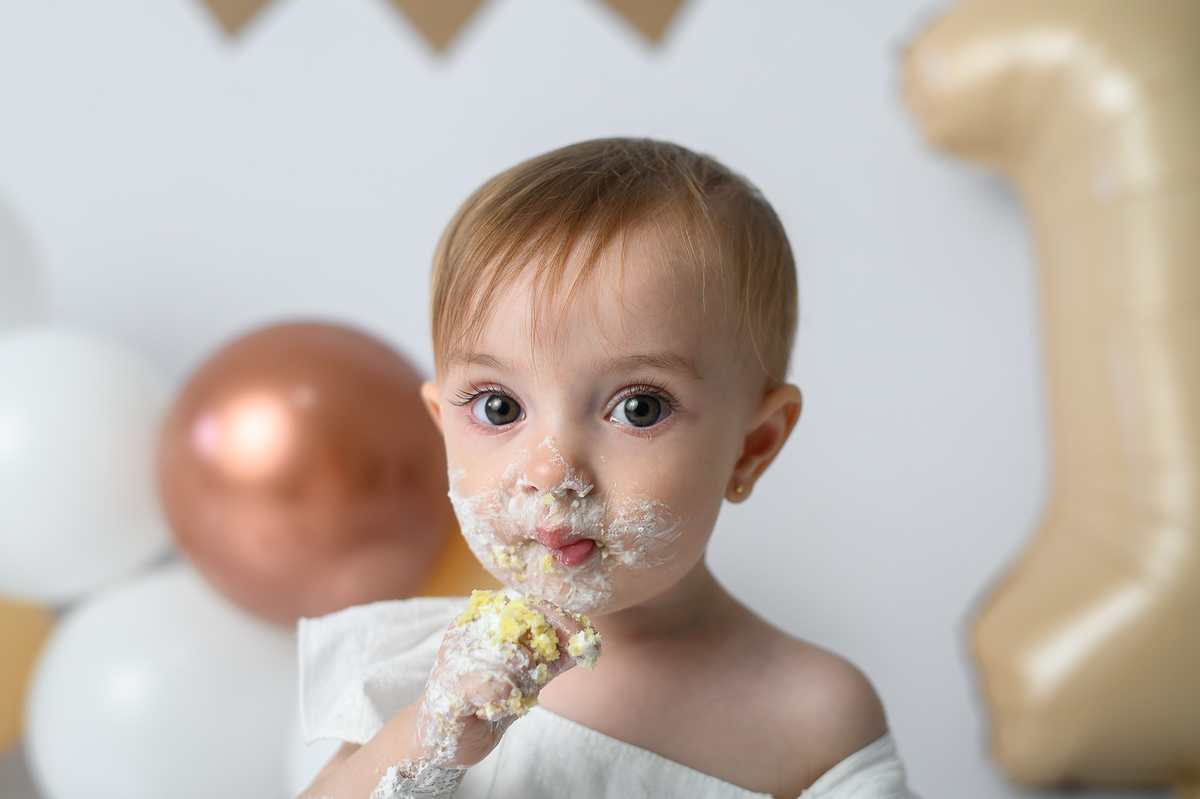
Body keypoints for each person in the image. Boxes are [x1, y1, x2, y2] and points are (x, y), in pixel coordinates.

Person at [297, 138, 917, 798]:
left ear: (752, 445)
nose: (550, 470)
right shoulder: (432, 671)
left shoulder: (811, 712)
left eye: (640, 407)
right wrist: (426, 738)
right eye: (499, 406)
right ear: (442, 426)